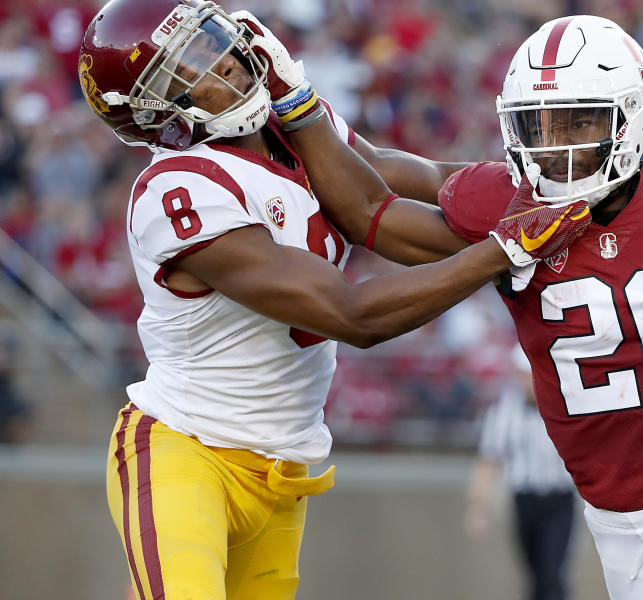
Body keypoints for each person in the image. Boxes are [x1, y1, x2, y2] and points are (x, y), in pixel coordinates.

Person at [298, 14, 643, 600]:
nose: (556, 145)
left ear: (634, 113)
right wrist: (295, 108)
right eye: (539, 126)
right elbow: (375, 201)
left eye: (581, 120)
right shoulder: (506, 207)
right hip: (632, 532)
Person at [77, 1, 592, 598]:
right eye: (187, 65)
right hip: (187, 454)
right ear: (153, 113)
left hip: (280, 466)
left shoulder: (283, 128)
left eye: (213, 38)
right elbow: (353, 315)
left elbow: (403, 182)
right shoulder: (177, 187)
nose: (224, 62)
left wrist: (551, 184)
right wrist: (502, 251)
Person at [465, 344, 578, 600]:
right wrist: (477, 505)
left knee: (553, 573)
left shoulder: (564, 406)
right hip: (523, 501)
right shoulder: (503, 412)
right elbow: (489, 460)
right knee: (535, 574)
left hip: (559, 500)